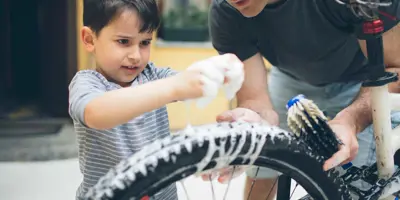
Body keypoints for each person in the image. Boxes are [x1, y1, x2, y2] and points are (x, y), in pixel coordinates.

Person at [208, 0, 400, 199]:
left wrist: (350, 121)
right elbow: (255, 100)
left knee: (354, 184)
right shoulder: (227, 11)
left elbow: (395, 69)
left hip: (362, 80)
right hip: (290, 78)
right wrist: (251, 120)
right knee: (261, 166)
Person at [68, 0, 244, 199]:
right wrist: (173, 87)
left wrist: (220, 71)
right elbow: (95, 113)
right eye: (123, 42)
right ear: (89, 39)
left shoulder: (153, 76)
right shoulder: (86, 83)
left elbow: (190, 81)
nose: (135, 56)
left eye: (145, 42)